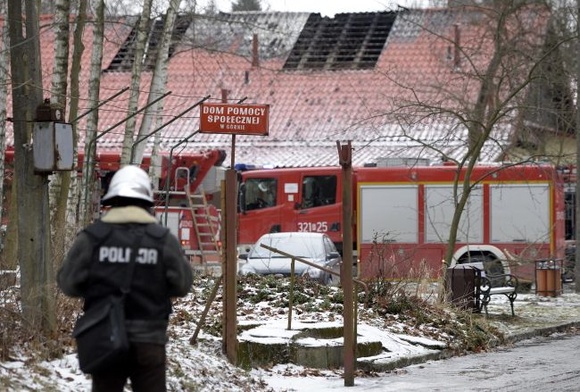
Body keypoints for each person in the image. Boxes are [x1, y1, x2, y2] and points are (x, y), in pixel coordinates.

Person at [58, 165, 193, 392]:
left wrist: (96, 288)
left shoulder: (93, 238)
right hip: (150, 339)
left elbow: (68, 283)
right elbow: (182, 284)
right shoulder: (162, 239)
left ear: (112, 199)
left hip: (104, 338)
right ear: (147, 202)